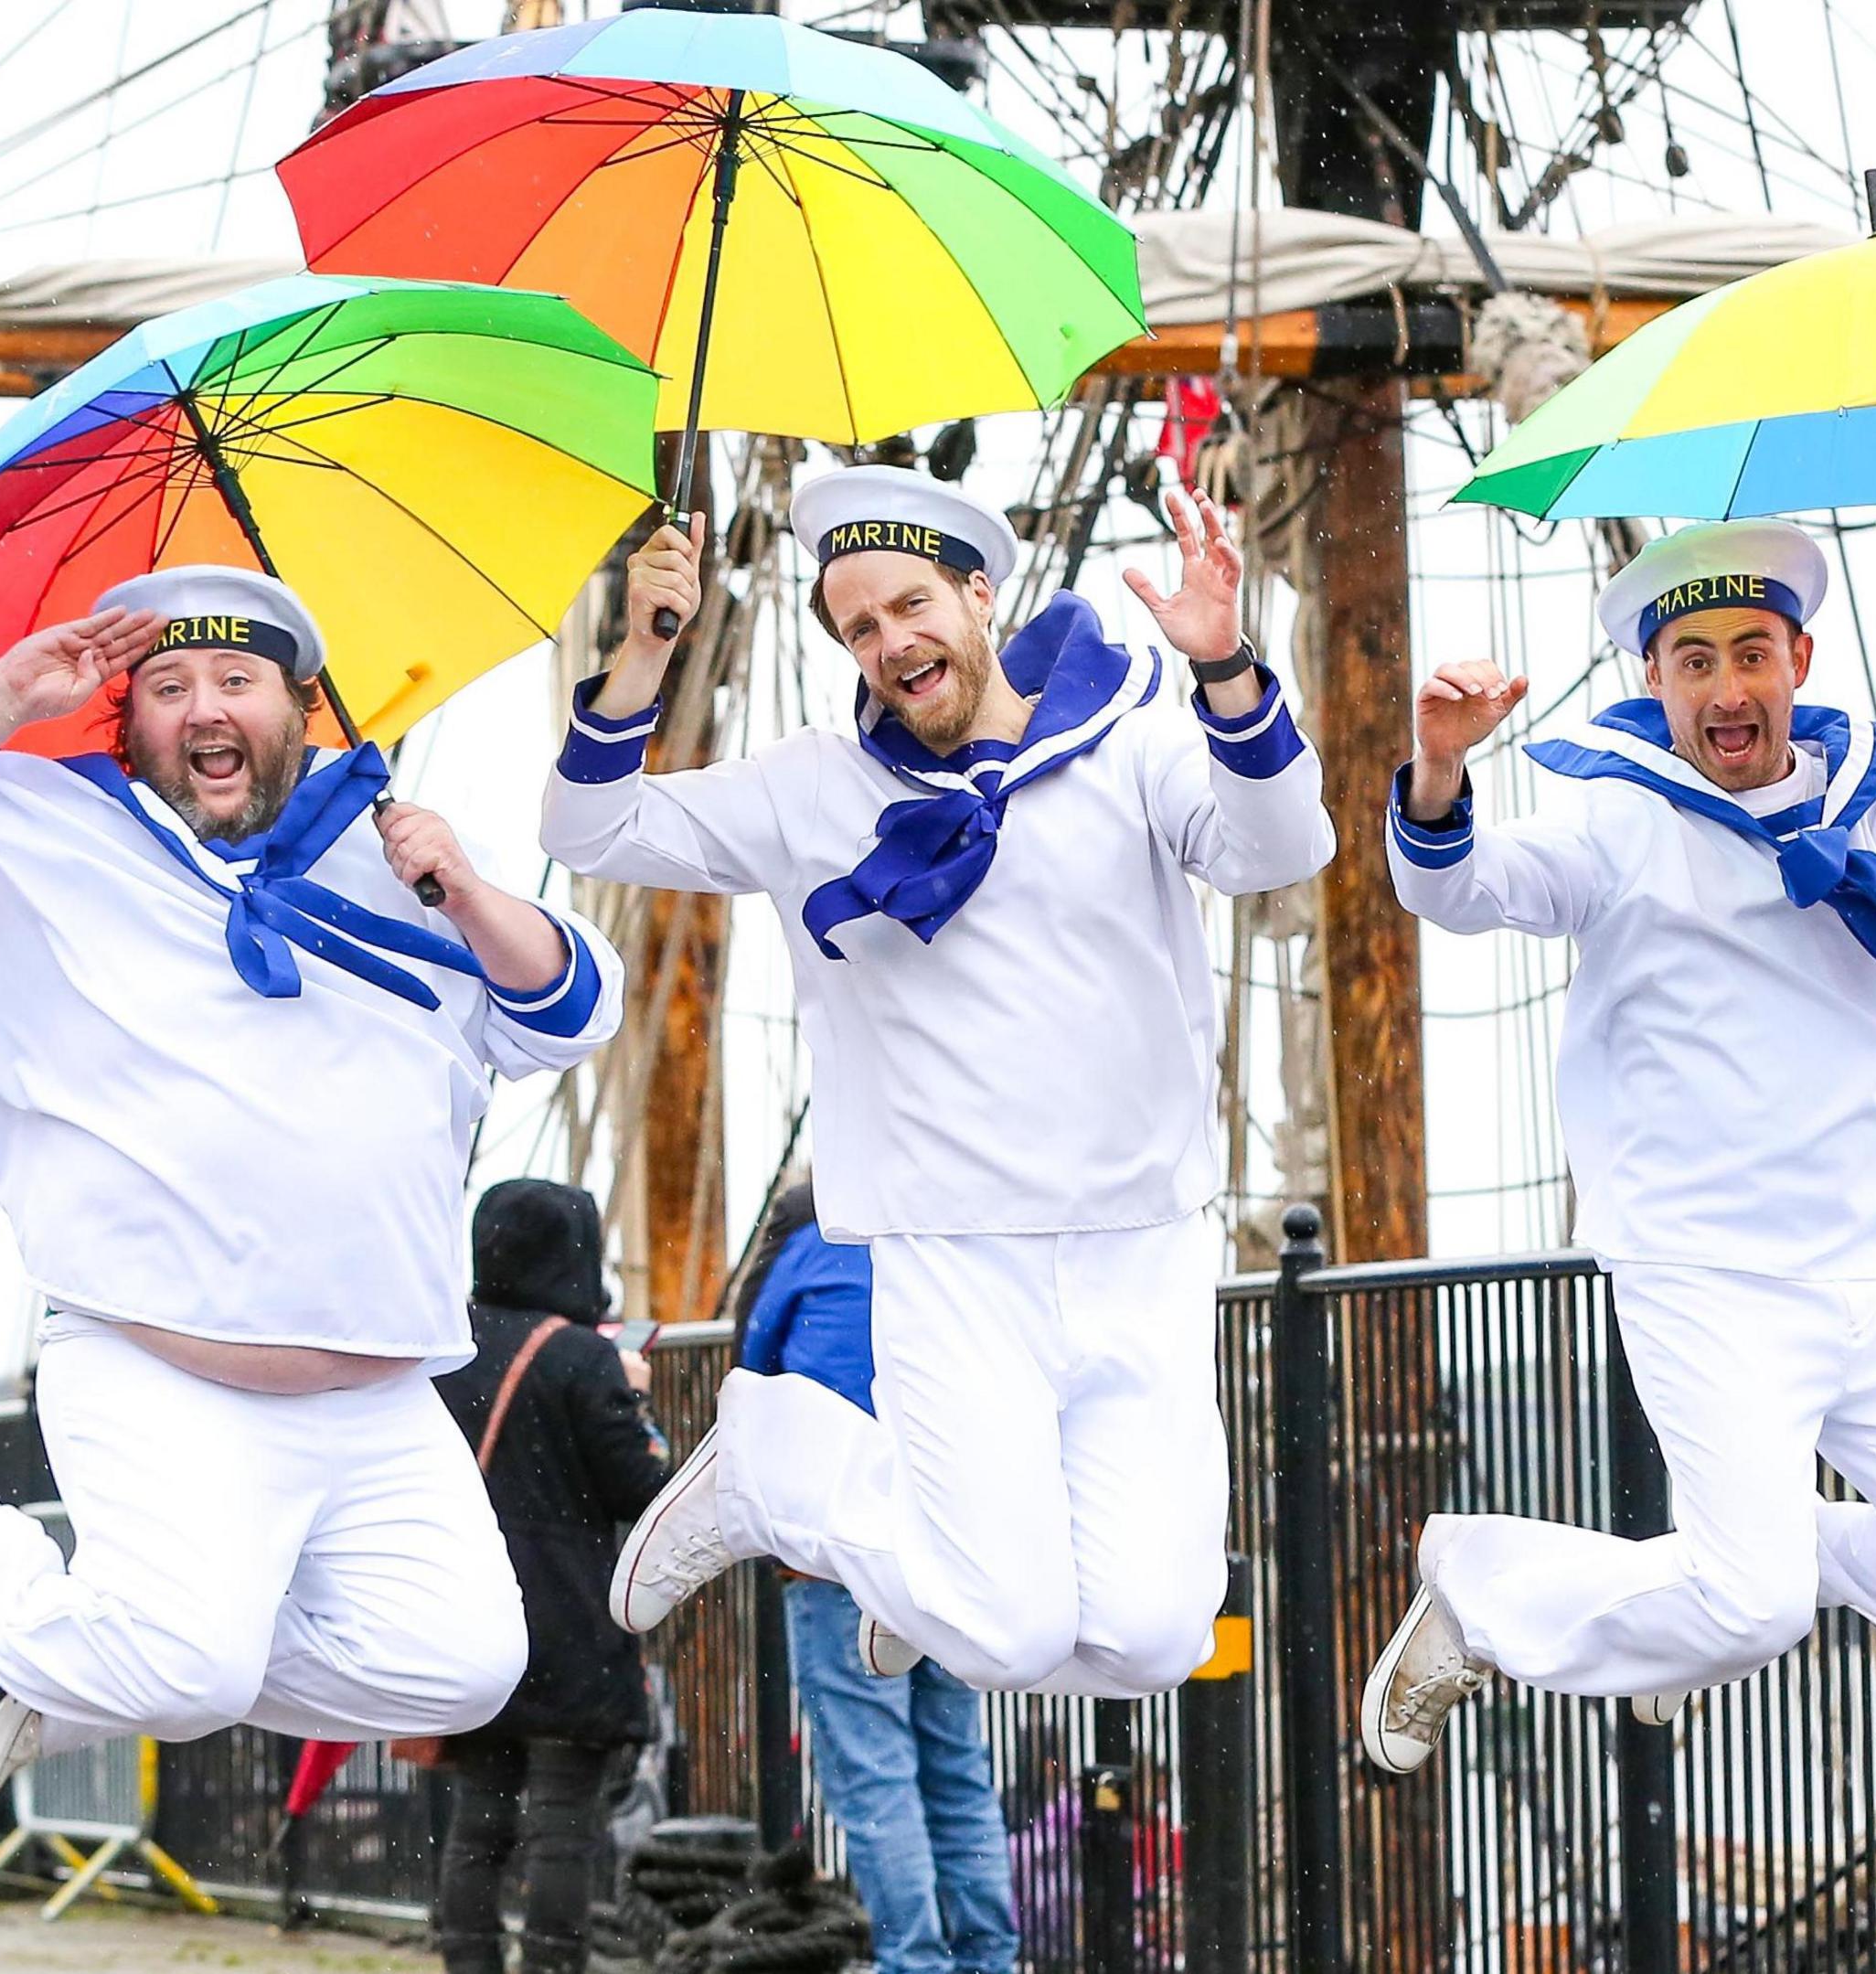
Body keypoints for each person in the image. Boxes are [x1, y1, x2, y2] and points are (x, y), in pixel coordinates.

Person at [0, 566, 620, 1805]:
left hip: (377, 1382)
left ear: (303, 702)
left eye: (237, 679)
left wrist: (467, 887)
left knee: (460, 1668)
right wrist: (4, 693)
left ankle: (90, 1664)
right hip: (162, 1363)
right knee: (187, 1667)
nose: (206, 709)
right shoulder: (32, 826)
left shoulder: (388, 854)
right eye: (168, 685)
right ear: (127, 717)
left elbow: (567, 1016)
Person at [555, 471, 1330, 1699]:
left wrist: (1227, 667)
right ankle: (779, 1464)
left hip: (1140, 1247)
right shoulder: (812, 787)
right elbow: (589, 830)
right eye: (858, 627)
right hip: (952, 1255)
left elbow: (1286, 846)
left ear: (979, 593)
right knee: (1010, 1637)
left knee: (1150, 1640)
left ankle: (915, 1573)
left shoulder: (1133, 740)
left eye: (910, 604)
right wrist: (643, 653)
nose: (890, 642)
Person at [1359, 519, 1876, 1770]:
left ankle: (1680, 1604)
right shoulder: (1615, 814)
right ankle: (1488, 1586)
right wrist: (1436, 771)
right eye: (1694, 660)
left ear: (1800, 656)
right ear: (1658, 682)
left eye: (1752, 652)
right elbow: (1461, 888)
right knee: (1755, 1605)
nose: (1728, 687)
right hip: (1703, 1270)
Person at [736, 1180, 1020, 1974]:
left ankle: (915, 1962)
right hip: (948, 1545)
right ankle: (989, 1957)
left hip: (836, 1552)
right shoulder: (943, 1246)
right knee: (957, 1770)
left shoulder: (808, 1247)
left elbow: (750, 1378)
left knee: (876, 1779)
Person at [427, 1179, 667, 1974]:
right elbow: (638, 1487)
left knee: (477, 1822)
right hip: (566, 1620)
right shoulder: (581, 1354)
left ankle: (469, 1964)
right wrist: (633, 1400)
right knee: (562, 1823)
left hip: (471, 1609)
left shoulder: (445, 1345)